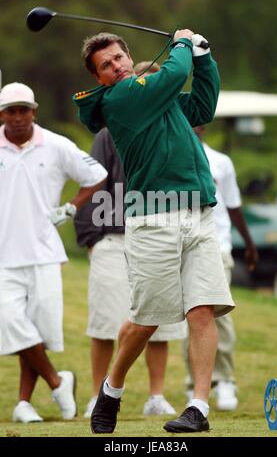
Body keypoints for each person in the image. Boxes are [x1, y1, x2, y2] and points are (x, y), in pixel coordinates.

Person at [73, 30, 235, 434]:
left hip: (198, 212)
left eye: (118, 58)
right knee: (146, 320)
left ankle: (198, 406)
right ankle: (112, 389)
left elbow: (202, 104)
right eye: (106, 66)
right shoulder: (120, 100)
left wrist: (205, 57)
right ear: (101, 79)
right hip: (153, 219)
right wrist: (183, 44)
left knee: (202, 308)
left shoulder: (159, 100)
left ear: (129, 56)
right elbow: (173, 74)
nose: (116, 66)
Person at [74, 60, 186, 419]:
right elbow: (92, 182)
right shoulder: (110, 131)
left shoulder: (173, 128)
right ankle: (96, 395)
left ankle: (156, 396)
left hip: (161, 234)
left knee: (161, 322)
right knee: (106, 322)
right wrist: (92, 238)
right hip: (114, 237)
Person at [0, 82, 107, 423]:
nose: (18, 117)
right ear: (1, 114)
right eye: (11, 111)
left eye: (24, 110)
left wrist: (73, 207)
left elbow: (97, 176)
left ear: (34, 111)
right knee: (12, 322)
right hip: (3, 256)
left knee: (37, 331)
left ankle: (23, 404)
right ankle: (59, 383)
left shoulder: (57, 145)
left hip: (45, 251)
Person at [184, 125, 258, 410]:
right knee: (192, 317)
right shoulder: (167, 154)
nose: (195, 123)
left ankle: (225, 379)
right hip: (182, 243)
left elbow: (233, 205)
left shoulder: (220, 161)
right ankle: (196, 384)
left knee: (218, 313)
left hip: (218, 244)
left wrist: (249, 243)